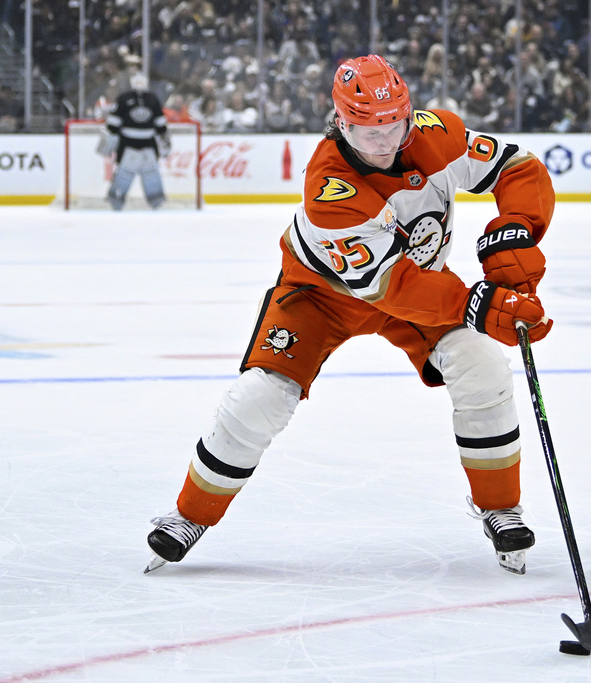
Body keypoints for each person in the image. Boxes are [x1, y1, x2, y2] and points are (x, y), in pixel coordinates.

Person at [144, 54, 555, 576]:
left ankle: (500, 506)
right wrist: (477, 302)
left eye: (393, 126)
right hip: (323, 295)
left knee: (482, 365)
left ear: (409, 115)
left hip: (420, 285)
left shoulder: (439, 134)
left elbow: (520, 167)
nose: (383, 143)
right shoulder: (329, 192)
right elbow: (388, 286)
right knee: (261, 396)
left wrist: (517, 228)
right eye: (366, 130)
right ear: (340, 122)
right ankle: (190, 515)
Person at [97, 72, 169, 210]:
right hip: (127, 143)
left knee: (151, 173)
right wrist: (109, 140)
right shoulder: (124, 99)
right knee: (124, 172)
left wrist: (164, 139)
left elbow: (160, 123)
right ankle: (116, 199)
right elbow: (114, 123)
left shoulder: (152, 99)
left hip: (148, 143)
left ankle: (156, 200)